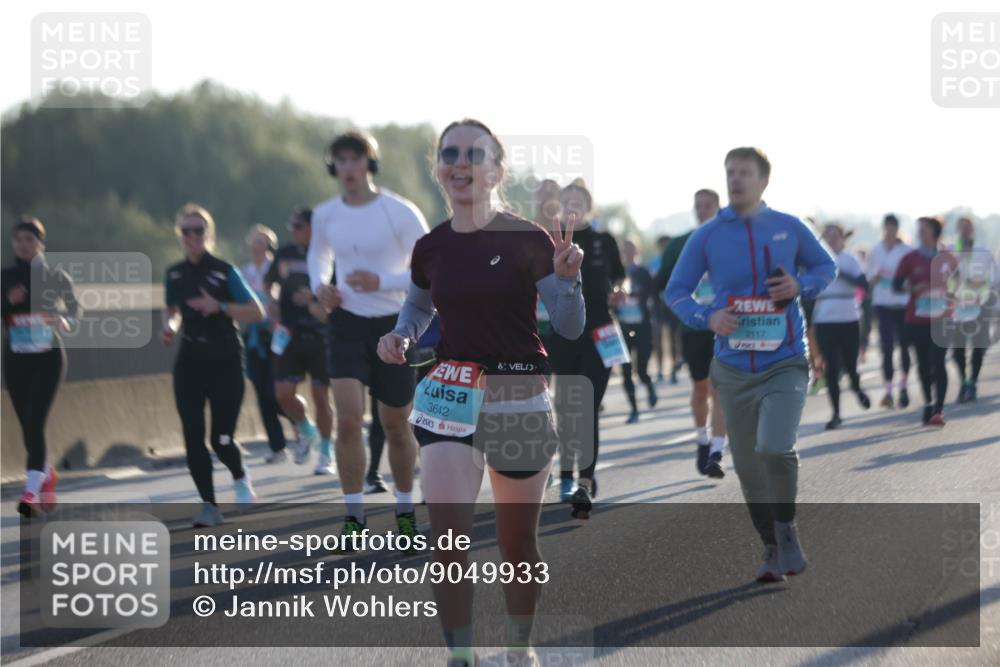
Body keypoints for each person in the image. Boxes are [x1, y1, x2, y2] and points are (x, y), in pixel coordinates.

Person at [378, 118, 585, 667]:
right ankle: (462, 656)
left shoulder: (526, 238)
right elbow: (420, 306)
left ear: (497, 170)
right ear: (438, 168)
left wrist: (569, 281)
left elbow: (567, 326)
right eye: (450, 153)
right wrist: (400, 335)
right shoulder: (430, 246)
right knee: (446, 543)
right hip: (450, 399)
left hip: (519, 397)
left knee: (517, 549)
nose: (460, 162)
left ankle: (519, 647)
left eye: (474, 153)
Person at [666, 147, 837, 582]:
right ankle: (769, 546)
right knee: (745, 466)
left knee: (775, 447)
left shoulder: (788, 226)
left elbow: (826, 266)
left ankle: (786, 528)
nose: (735, 180)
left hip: (785, 360)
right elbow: (677, 291)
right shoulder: (707, 235)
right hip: (733, 365)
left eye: (744, 173)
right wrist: (708, 317)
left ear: (763, 180)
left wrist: (801, 285)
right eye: (730, 172)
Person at [308, 130, 429, 546]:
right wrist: (321, 285)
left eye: (355, 159)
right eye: (340, 160)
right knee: (346, 420)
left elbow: (428, 266)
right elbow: (318, 255)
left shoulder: (398, 211)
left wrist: (384, 279)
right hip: (345, 323)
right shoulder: (325, 215)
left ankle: (405, 512)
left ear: (370, 164)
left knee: (395, 424)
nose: (347, 168)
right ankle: (354, 519)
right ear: (333, 168)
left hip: (394, 325)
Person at [162, 204, 264, 527]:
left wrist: (217, 305)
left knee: (221, 438)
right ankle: (209, 506)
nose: (192, 237)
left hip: (225, 360)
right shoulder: (175, 274)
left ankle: (239, 474)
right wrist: (170, 326)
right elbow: (173, 310)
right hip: (190, 360)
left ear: (209, 235)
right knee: (192, 435)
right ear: (180, 236)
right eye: (186, 231)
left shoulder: (224, 270)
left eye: (198, 231)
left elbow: (256, 311)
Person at [544, 179, 626, 513]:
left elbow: (622, 275)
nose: (574, 205)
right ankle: (565, 474)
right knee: (566, 408)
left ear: (589, 205)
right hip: (564, 332)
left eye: (580, 199)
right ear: (561, 205)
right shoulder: (552, 238)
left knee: (588, 406)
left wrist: (621, 289)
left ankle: (586, 481)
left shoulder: (603, 240)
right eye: (568, 200)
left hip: (601, 331)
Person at [3, 217, 79, 518]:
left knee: (35, 421)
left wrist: (64, 320)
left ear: (40, 244)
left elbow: (75, 309)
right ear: (13, 244)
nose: (24, 245)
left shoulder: (55, 277)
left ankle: (30, 492)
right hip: (16, 358)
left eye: (30, 240)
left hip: (48, 357)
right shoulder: (5, 277)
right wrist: (7, 302)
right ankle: (46, 474)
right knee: (27, 426)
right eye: (19, 239)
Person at [655, 189, 728, 477]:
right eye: (698, 205)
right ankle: (702, 439)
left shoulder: (729, 239)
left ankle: (717, 452)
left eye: (708, 205)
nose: (702, 209)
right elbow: (662, 283)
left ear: (718, 207)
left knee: (719, 386)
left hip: (725, 325)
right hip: (694, 325)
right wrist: (682, 309)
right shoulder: (680, 243)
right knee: (701, 389)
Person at [263, 209, 335, 474]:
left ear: (313, 229)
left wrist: (314, 302)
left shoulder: (327, 256)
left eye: (298, 226)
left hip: (320, 336)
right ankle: (307, 430)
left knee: (321, 396)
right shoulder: (284, 254)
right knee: (282, 394)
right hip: (289, 334)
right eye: (291, 225)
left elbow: (337, 296)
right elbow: (268, 282)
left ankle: (326, 452)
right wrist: (271, 301)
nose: (293, 231)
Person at [892, 216, 957, 426]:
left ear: (935, 231)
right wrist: (913, 288)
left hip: (942, 319)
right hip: (916, 319)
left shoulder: (948, 258)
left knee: (938, 362)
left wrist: (949, 293)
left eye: (925, 228)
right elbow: (896, 285)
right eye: (919, 228)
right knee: (922, 364)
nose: (920, 232)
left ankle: (938, 409)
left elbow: (960, 285)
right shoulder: (910, 258)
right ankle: (928, 403)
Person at [813, 223, 872, 429]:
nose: (831, 239)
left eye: (834, 235)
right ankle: (836, 413)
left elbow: (864, 285)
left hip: (849, 316)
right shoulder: (816, 259)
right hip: (825, 317)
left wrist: (839, 273)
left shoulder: (850, 259)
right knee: (831, 367)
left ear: (842, 238)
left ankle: (856, 388)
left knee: (850, 365)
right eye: (827, 235)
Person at [242, 224, 291, 463]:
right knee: (261, 391)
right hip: (253, 336)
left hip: (276, 334)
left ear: (269, 246)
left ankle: (300, 422)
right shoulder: (245, 272)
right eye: (253, 241)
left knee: (276, 390)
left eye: (260, 242)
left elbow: (285, 298)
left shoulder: (277, 269)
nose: (255, 246)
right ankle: (278, 447)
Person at [949, 216, 999, 403]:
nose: (964, 231)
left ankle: (972, 383)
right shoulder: (951, 252)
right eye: (961, 227)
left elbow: (995, 278)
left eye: (967, 227)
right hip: (959, 307)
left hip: (980, 305)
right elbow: (944, 278)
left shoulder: (983, 252)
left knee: (978, 347)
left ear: (973, 230)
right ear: (957, 230)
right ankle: (963, 381)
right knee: (957, 351)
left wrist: (977, 283)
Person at [866, 213, 913, 408]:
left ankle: (903, 386)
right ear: (883, 228)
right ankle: (888, 391)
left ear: (897, 229)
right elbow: (869, 278)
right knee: (886, 349)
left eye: (893, 227)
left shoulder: (906, 251)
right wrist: (874, 279)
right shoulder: (876, 250)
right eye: (887, 227)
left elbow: (912, 277)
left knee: (904, 347)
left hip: (902, 304)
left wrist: (903, 284)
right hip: (882, 303)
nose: (890, 231)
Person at [617, 238, 658, 423]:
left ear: (637, 251)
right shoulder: (616, 273)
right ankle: (634, 409)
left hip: (642, 327)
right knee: (626, 370)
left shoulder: (643, 272)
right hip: (623, 328)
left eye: (631, 249)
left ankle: (649, 386)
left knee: (641, 369)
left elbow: (653, 297)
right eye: (624, 249)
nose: (627, 252)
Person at [649, 235, 672, 382]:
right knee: (658, 336)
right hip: (658, 304)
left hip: (673, 303)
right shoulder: (654, 262)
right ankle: (660, 369)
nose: (664, 248)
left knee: (674, 336)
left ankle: (675, 365)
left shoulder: (675, 261)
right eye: (662, 245)